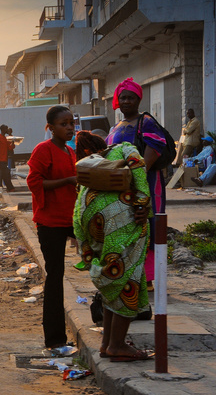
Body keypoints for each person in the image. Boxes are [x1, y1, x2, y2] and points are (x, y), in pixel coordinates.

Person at [74, 131, 152, 362]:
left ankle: (107, 344)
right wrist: (142, 204)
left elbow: (78, 207)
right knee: (127, 280)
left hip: (89, 222)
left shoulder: (89, 170)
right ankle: (117, 345)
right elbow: (139, 171)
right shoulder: (125, 148)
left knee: (111, 281)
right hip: (120, 221)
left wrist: (86, 248)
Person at [105, 78, 169, 291]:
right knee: (128, 227)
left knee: (147, 226)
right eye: (122, 97)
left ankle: (148, 279)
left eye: (130, 98)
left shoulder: (146, 122)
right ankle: (131, 275)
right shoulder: (116, 126)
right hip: (122, 187)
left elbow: (155, 148)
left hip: (146, 184)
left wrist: (139, 174)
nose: (125, 101)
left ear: (138, 99)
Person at [26, 105, 77, 349]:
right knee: (55, 277)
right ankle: (55, 339)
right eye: (63, 124)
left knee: (103, 261)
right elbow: (34, 182)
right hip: (50, 222)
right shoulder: (43, 150)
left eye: (71, 123)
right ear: (51, 127)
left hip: (72, 219)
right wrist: (67, 181)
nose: (69, 128)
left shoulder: (69, 151)